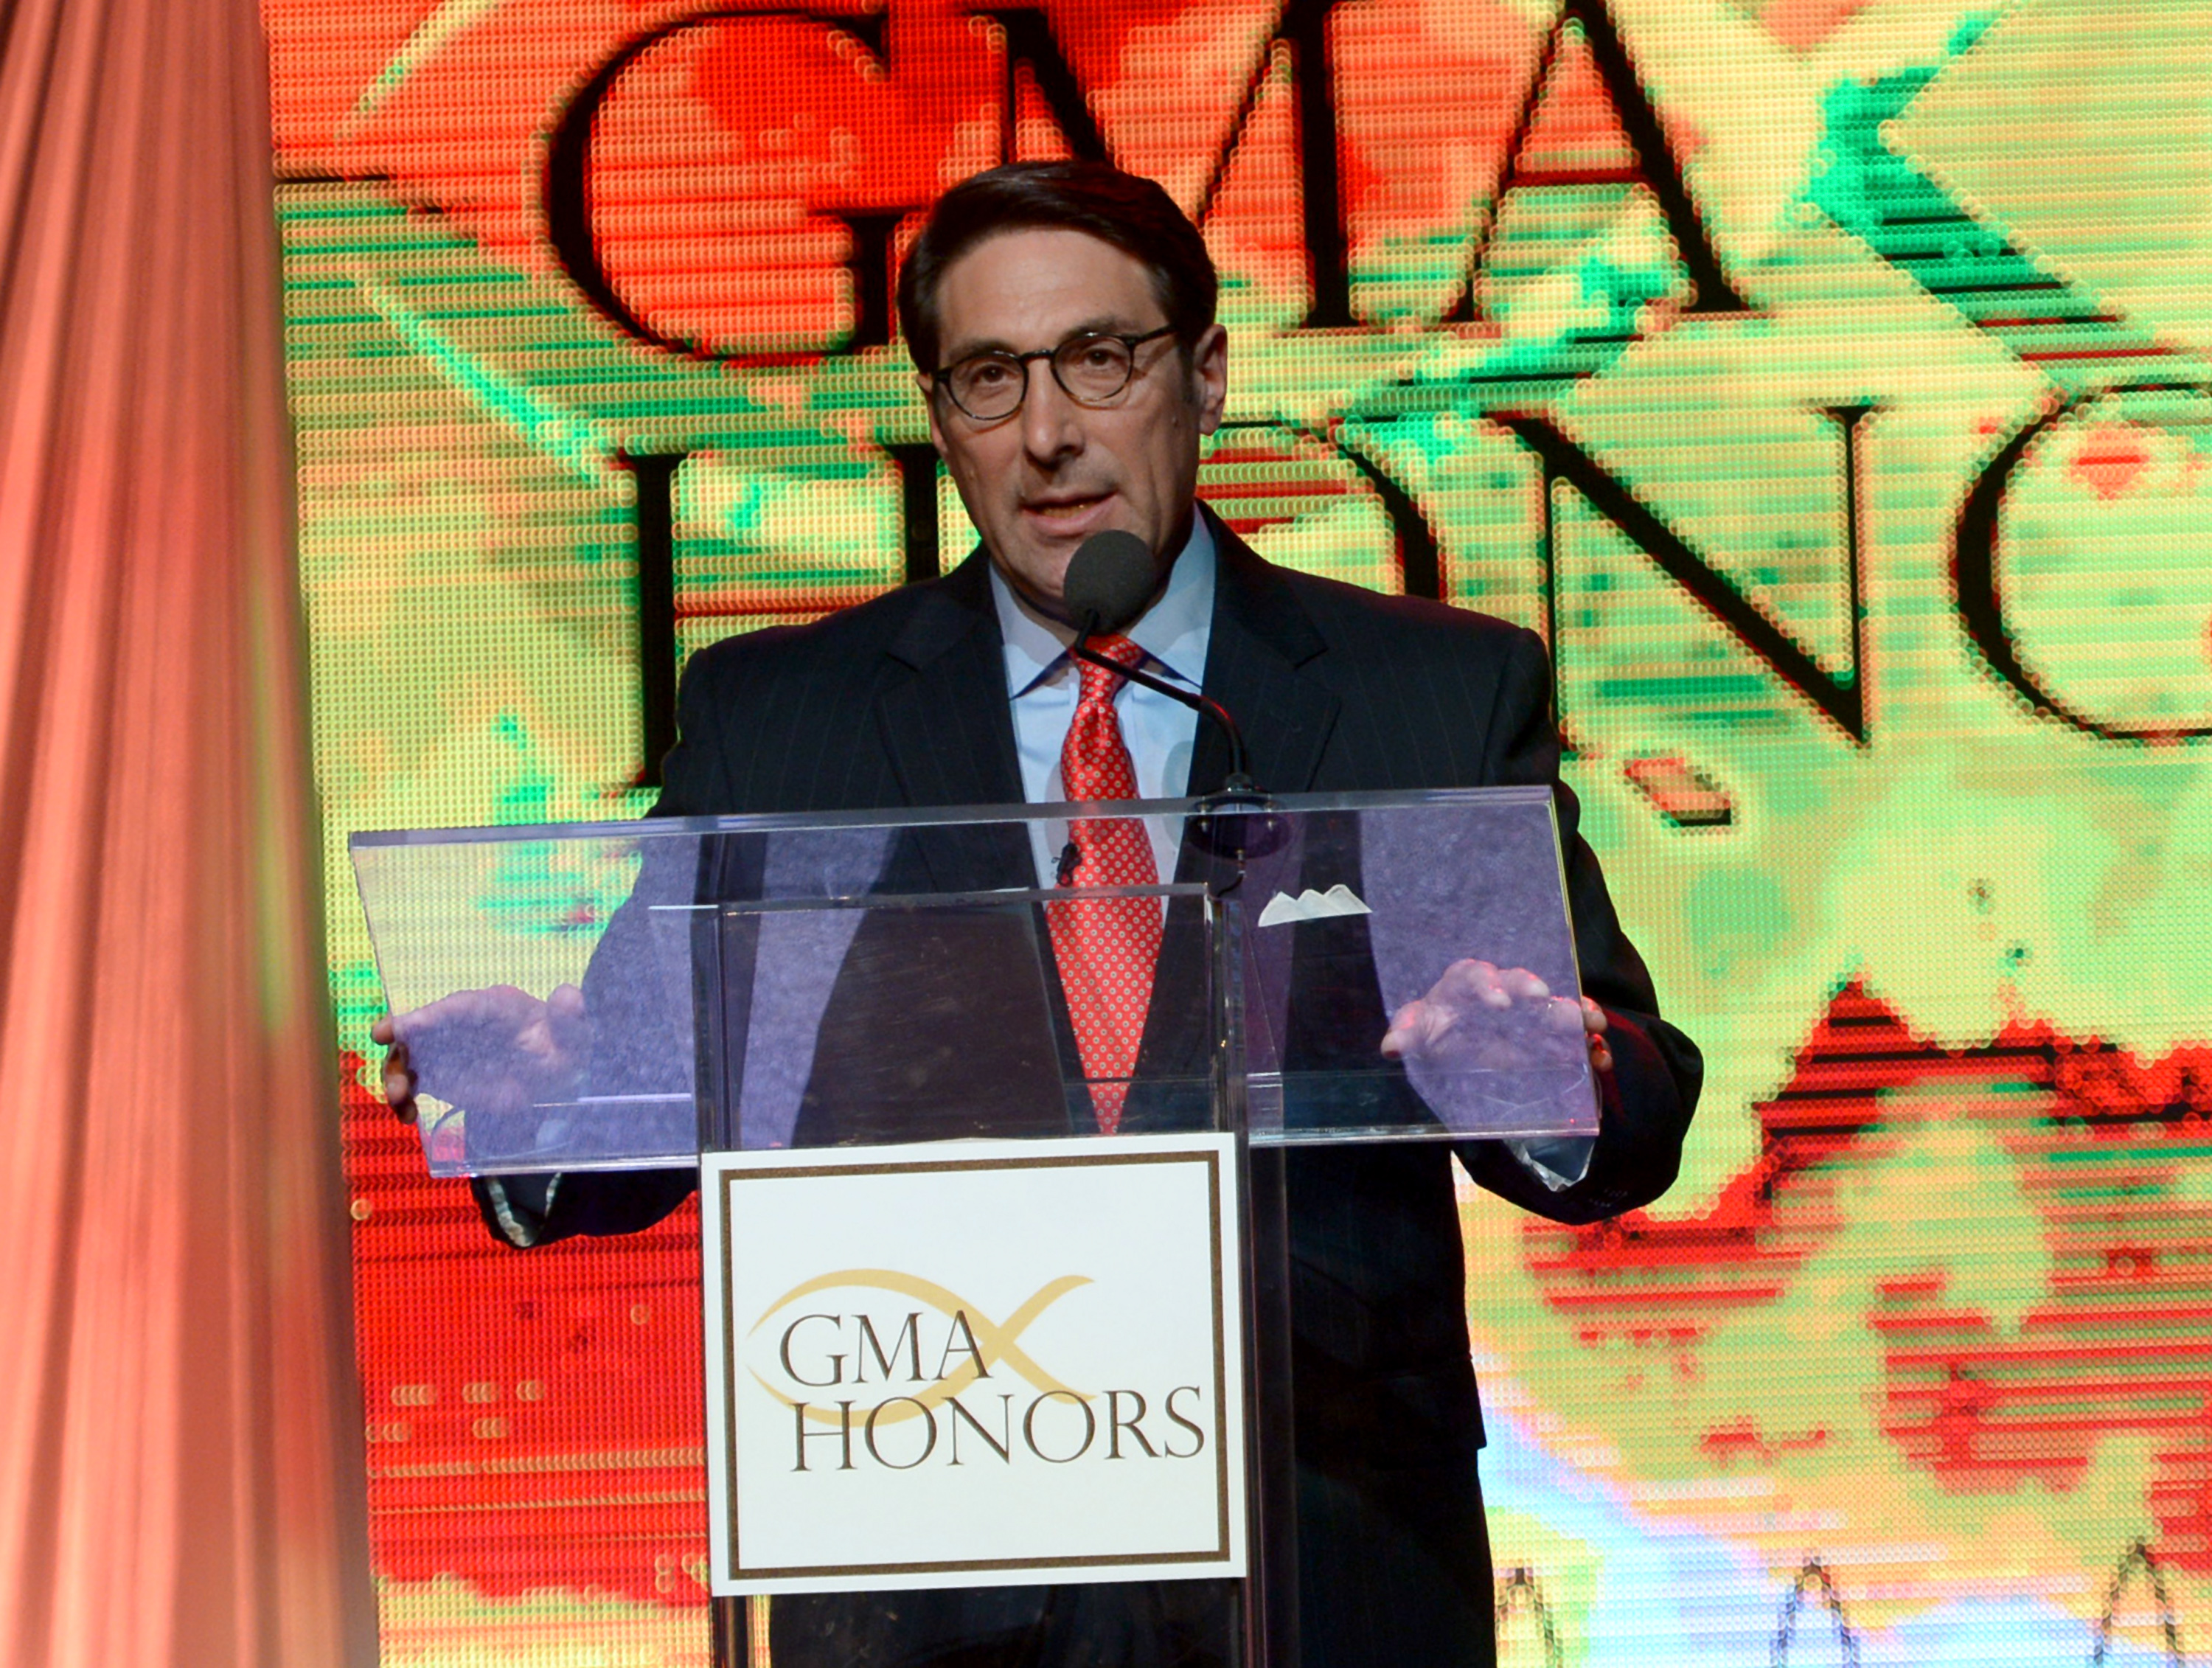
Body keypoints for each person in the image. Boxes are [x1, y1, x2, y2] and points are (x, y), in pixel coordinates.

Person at [377, 161, 1700, 1667]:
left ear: (1202, 374)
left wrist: (1547, 1072)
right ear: (940, 414)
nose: (1051, 430)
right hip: (921, 1565)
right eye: (992, 377)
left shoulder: (1425, 696)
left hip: (1325, 1553)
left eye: (1100, 358)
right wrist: (544, 1107)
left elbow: (1625, 1102)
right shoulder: (785, 721)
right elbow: (643, 1088)